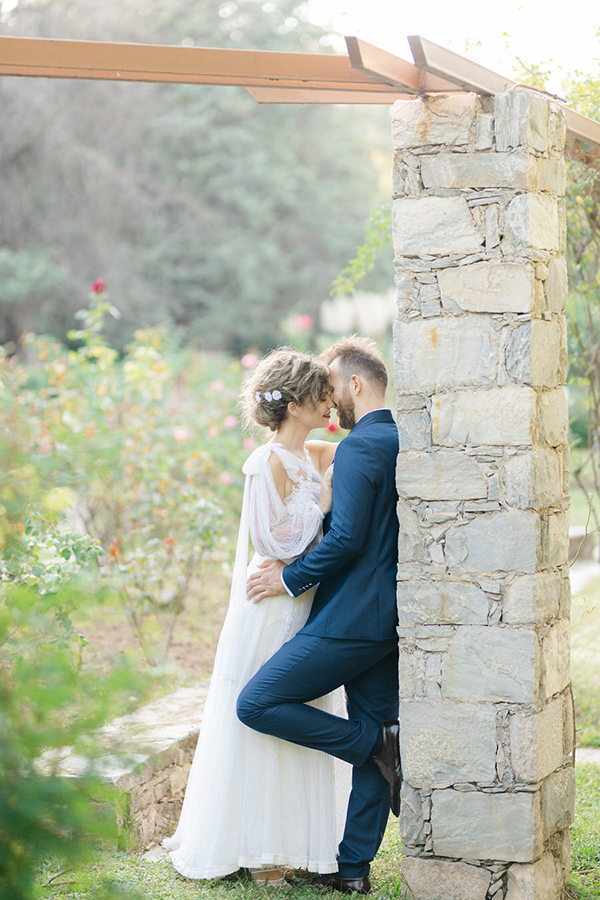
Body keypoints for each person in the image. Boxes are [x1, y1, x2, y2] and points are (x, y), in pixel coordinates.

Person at [163, 347, 351, 884]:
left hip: (302, 601)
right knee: (266, 717)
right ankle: (259, 848)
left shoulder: (309, 453)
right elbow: (273, 539)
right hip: (270, 606)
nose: (330, 402)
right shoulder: (265, 462)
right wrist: (327, 504)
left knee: (301, 709)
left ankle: (290, 841)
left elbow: (351, 453)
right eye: (320, 395)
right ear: (294, 405)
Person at [241, 335, 401, 896]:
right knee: (384, 728)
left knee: (257, 702)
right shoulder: (401, 439)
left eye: (334, 388)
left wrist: (287, 578)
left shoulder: (360, 447)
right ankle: (352, 868)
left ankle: (369, 744)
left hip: (351, 618)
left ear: (356, 384)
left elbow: (350, 537)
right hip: (387, 622)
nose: (331, 401)